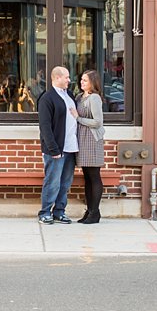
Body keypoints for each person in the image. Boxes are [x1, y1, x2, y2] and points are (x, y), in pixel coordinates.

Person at [37, 66, 78, 224]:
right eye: (66, 77)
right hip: (55, 149)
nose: (69, 80)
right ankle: (45, 212)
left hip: (70, 147)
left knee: (65, 182)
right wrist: (53, 148)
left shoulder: (69, 95)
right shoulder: (47, 98)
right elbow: (45, 126)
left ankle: (59, 211)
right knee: (52, 182)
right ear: (56, 78)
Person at [69, 70, 106, 224]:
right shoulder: (79, 97)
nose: (81, 83)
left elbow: (98, 122)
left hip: (92, 140)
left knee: (94, 176)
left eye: (85, 80)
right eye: (81, 80)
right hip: (82, 140)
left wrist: (78, 118)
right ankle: (89, 211)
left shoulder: (94, 98)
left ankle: (95, 212)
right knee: (87, 178)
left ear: (93, 82)